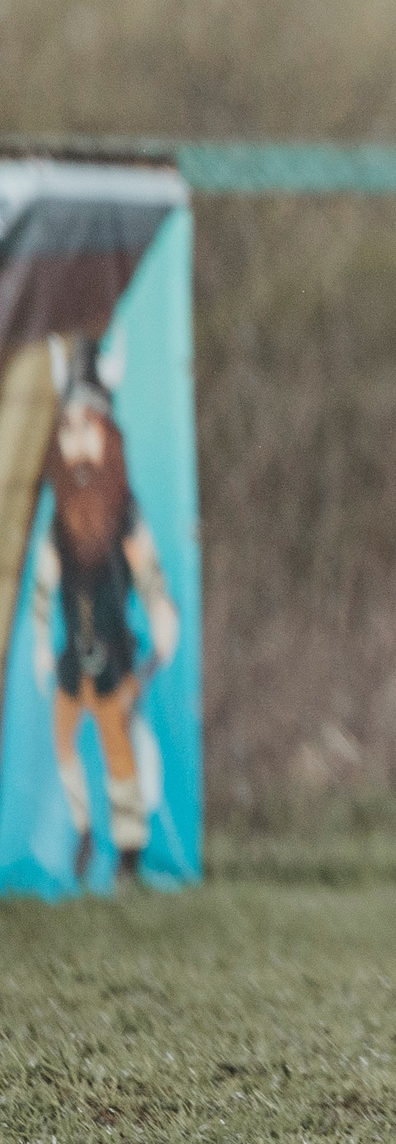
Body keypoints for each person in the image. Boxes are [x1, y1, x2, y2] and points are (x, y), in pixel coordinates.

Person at [34, 340, 181, 890]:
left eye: (87, 427)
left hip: (116, 655)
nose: (76, 442)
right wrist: (38, 640)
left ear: (107, 435)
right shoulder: (61, 518)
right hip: (74, 656)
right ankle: (82, 829)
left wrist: (163, 614)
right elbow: (46, 585)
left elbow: (147, 573)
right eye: (66, 429)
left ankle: (127, 857)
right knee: (65, 740)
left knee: (120, 752)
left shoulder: (123, 512)